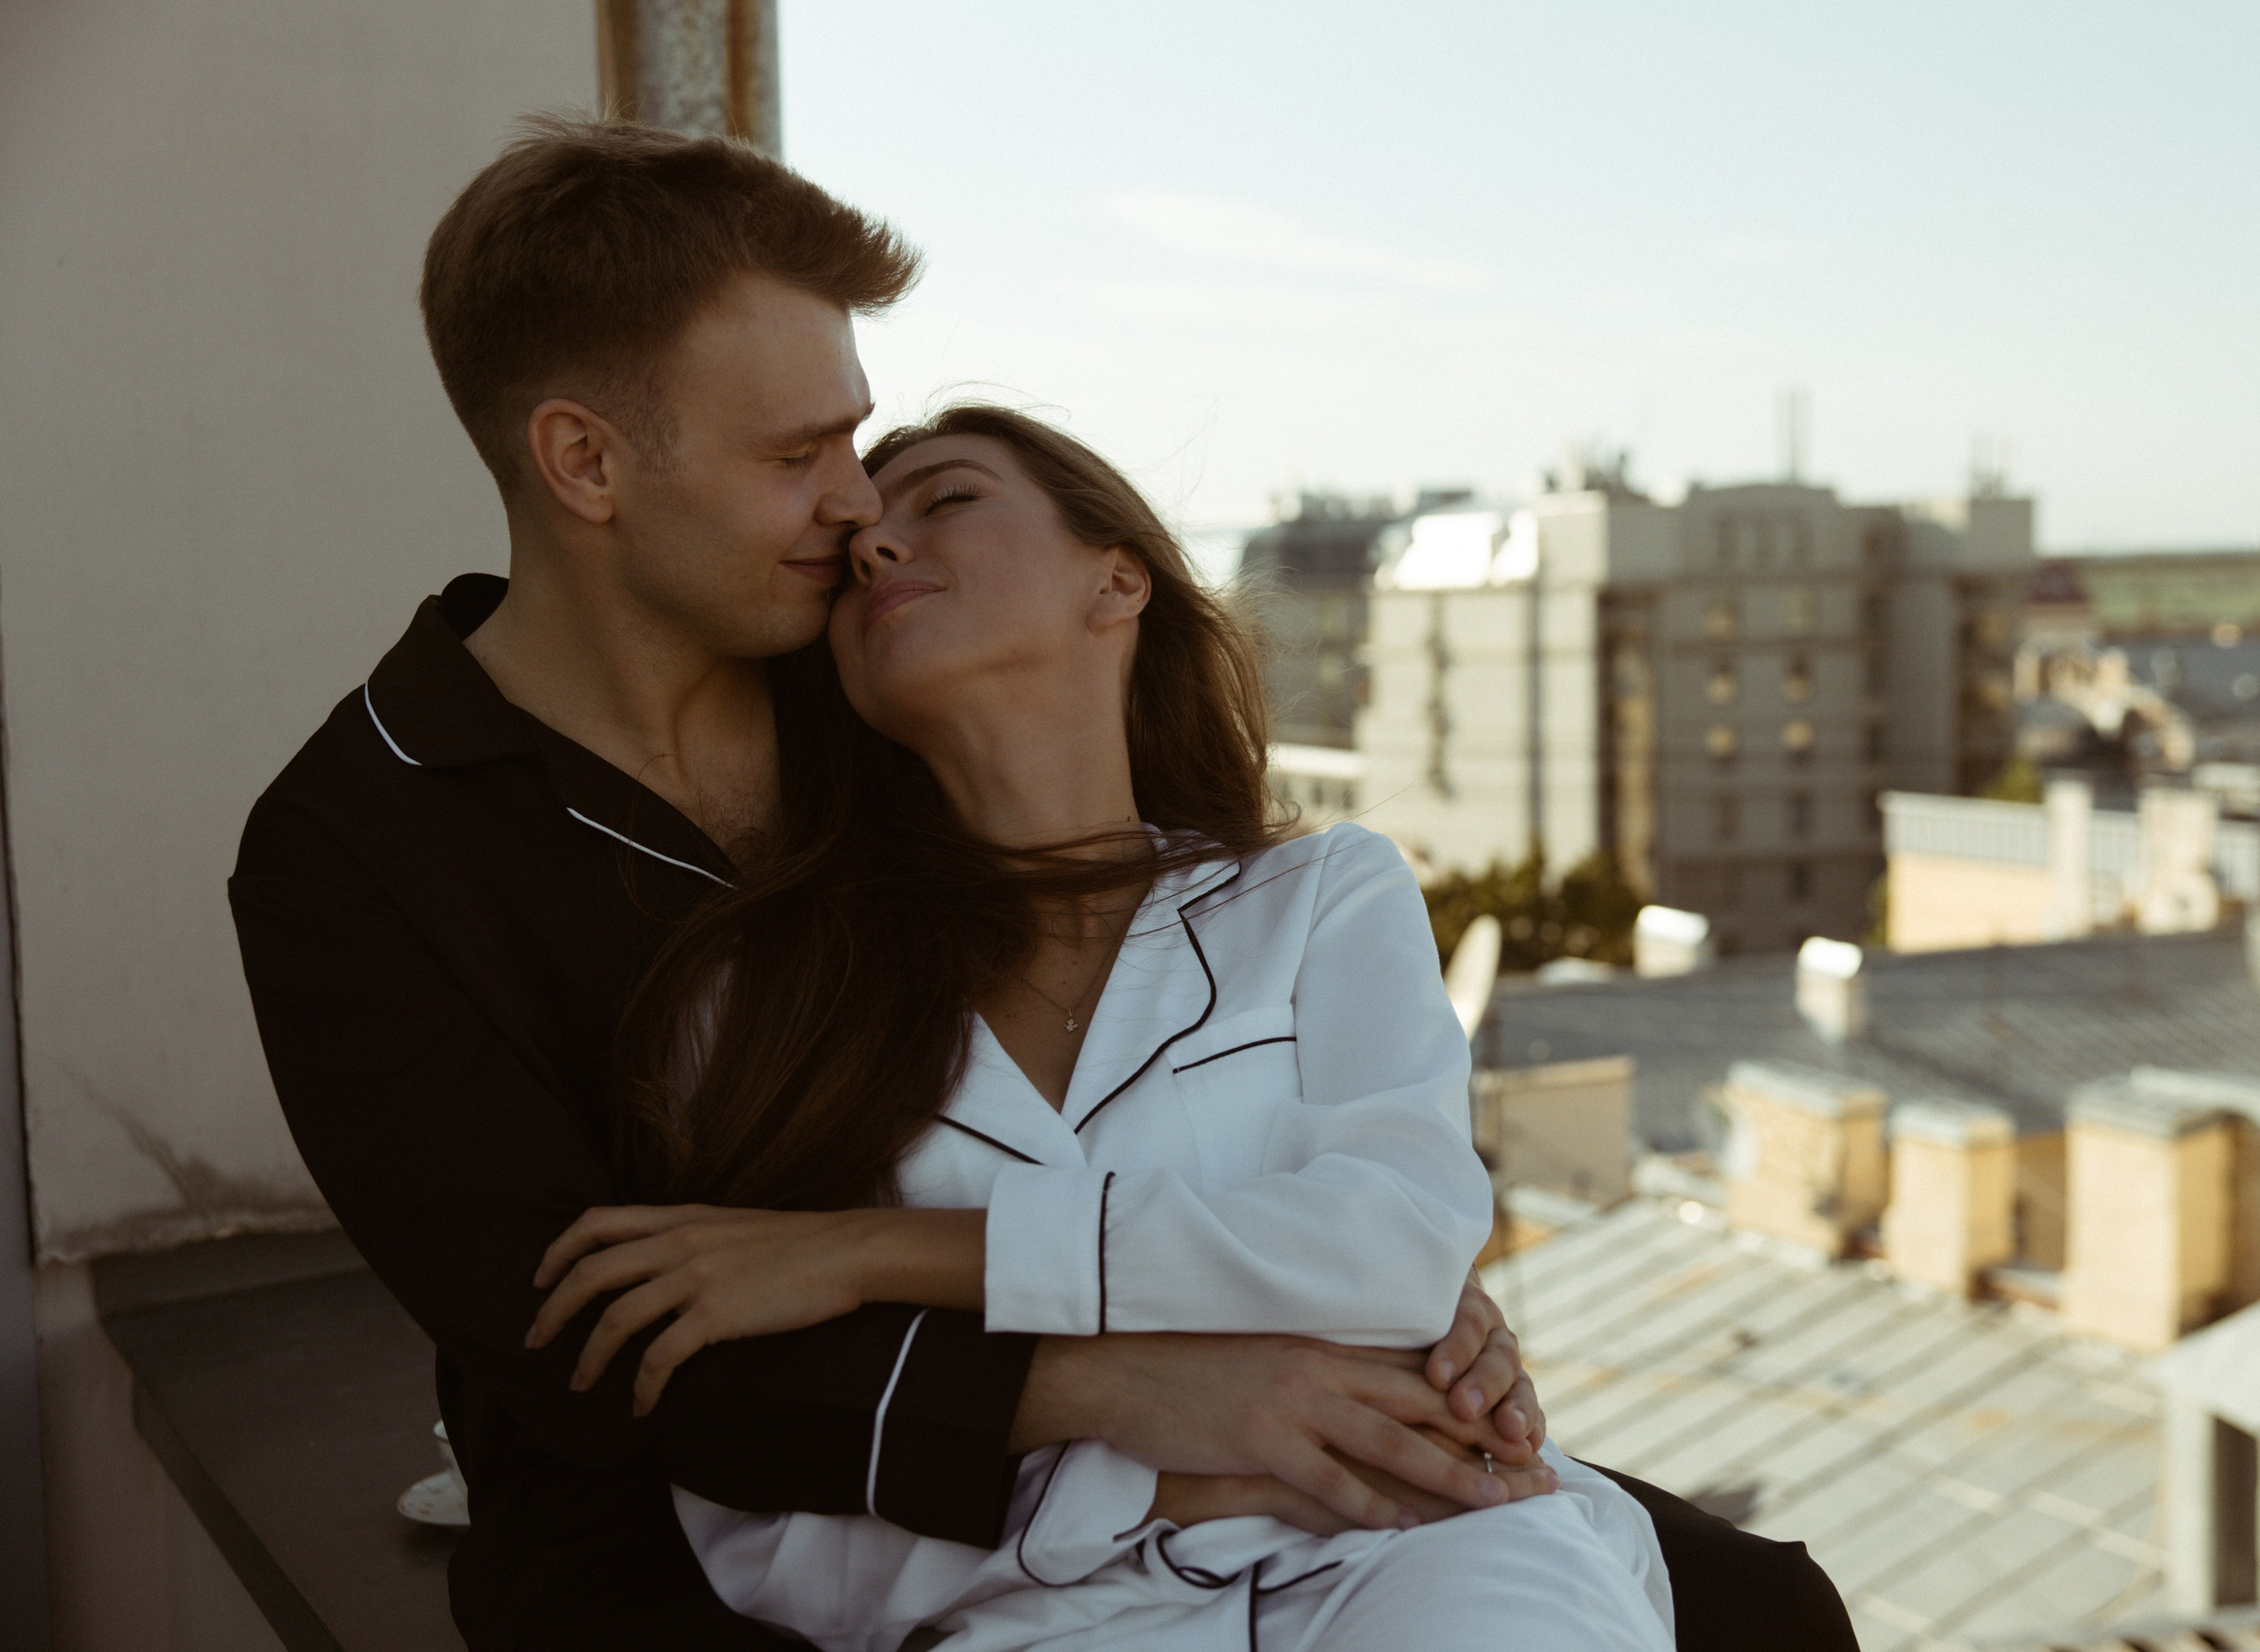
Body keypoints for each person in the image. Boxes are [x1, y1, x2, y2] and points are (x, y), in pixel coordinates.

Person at [227, 116, 1856, 1652]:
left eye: (862, 443)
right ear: (584, 463)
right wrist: (1117, 1391)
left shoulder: (871, 678)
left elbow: (1191, 993)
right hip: (714, 1533)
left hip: (1248, 1445)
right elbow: (602, 1359)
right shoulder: (355, 856)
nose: (860, 511)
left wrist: (1389, 1292)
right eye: (802, 454)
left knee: (1755, 1608)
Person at [520, 404, 1674, 1650]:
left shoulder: (1322, 895)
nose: (874, 548)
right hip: (1035, 1618)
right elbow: (751, 1498)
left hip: (1426, 1550)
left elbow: (1393, 1251)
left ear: (1117, 576)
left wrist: (872, 1254)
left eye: (946, 499)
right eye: (856, 542)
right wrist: (1165, 1475)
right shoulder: (758, 996)